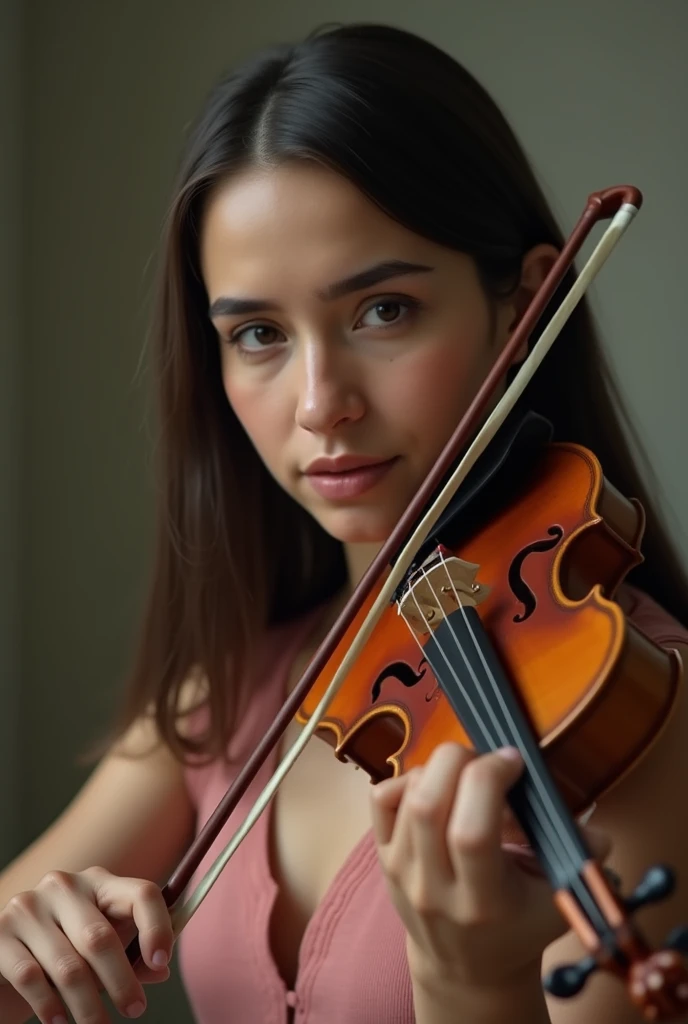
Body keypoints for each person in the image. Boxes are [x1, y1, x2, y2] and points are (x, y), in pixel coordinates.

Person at [2, 21, 688, 1024]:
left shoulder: (637, 707)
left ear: (526, 303)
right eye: (259, 334)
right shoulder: (233, 689)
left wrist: (470, 988)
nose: (321, 401)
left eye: (382, 312)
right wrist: (24, 947)